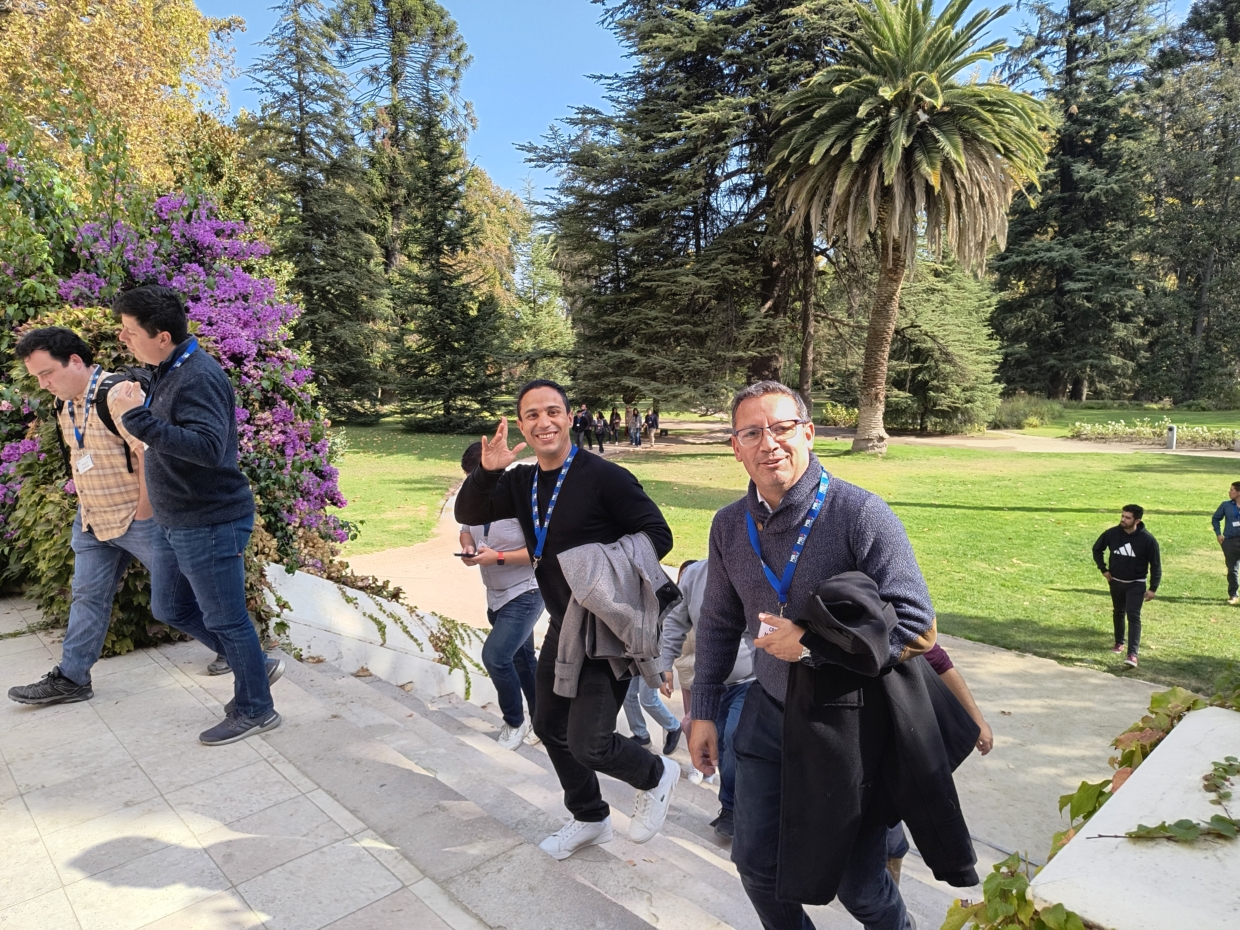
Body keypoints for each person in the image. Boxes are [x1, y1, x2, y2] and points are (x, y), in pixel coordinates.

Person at [689, 380, 945, 930]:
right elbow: (715, 623)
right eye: (752, 432)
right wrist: (703, 710)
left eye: (781, 428)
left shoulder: (859, 513)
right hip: (769, 713)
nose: (769, 443)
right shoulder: (729, 524)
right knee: (756, 869)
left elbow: (915, 622)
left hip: (847, 724)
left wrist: (810, 643)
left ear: (808, 433)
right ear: (736, 447)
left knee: (859, 889)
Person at [455, 379, 680, 861]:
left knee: (590, 742)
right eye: (532, 415)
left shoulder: (605, 477)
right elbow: (469, 510)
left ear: (570, 415)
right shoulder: (520, 482)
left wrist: (595, 570)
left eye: (552, 411)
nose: (544, 422)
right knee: (548, 721)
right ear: (521, 425)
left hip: (606, 627)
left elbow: (659, 534)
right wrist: (488, 472)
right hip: (564, 624)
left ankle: (657, 775)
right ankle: (589, 817)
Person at [7, 328, 274, 705]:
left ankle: (247, 661)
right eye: (37, 377)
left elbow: (152, 453)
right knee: (87, 596)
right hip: (94, 520)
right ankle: (72, 678)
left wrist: (147, 514)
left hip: (140, 519)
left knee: (185, 601)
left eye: (47, 373)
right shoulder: (64, 402)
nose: (43, 382)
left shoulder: (116, 396)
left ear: (76, 361)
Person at [108, 285, 281, 745]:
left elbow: (207, 448)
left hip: (209, 520)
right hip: (175, 519)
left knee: (226, 619)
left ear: (161, 336)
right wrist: (132, 383)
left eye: (129, 333)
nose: (124, 339)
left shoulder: (199, 376)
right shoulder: (167, 368)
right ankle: (256, 668)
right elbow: (166, 405)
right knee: (170, 606)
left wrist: (136, 419)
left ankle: (256, 707)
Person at [458, 442, 544, 749]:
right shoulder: (474, 498)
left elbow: (539, 551)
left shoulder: (522, 499)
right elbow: (466, 528)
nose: (476, 485)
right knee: (523, 660)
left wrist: (499, 558)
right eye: (471, 479)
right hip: (495, 595)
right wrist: (468, 547)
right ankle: (543, 721)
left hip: (526, 592)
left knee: (495, 657)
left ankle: (514, 722)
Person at [658, 557, 753, 838]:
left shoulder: (760, 569)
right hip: (710, 684)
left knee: (735, 739)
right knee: (721, 746)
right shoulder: (695, 574)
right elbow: (675, 619)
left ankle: (739, 811)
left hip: (752, 681)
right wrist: (665, 663)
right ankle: (730, 808)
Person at [1092, 504, 1160, 669]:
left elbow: (1156, 565)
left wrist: (1153, 588)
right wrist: (1103, 569)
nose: (1123, 519)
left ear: (1137, 520)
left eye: (1127, 517)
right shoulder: (1112, 533)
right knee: (1118, 612)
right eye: (1122, 516)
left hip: (1136, 584)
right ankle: (1119, 643)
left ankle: (1132, 655)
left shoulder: (1148, 540)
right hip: (1115, 581)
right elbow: (1097, 549)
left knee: (1133, 615)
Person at [622, 674, 681, 755]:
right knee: (627, 695)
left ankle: (674, 726)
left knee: (648, 700)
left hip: (649, 663)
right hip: (634, 662)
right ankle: (641, 735)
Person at [1212, 481, 1240, 605]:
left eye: (1232, 490)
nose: (1229, 492)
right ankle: (1233, 595)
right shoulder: (1226, 505)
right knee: (1232, 569)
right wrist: (1218, 534)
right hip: (1230, 542)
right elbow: (1215, 518)